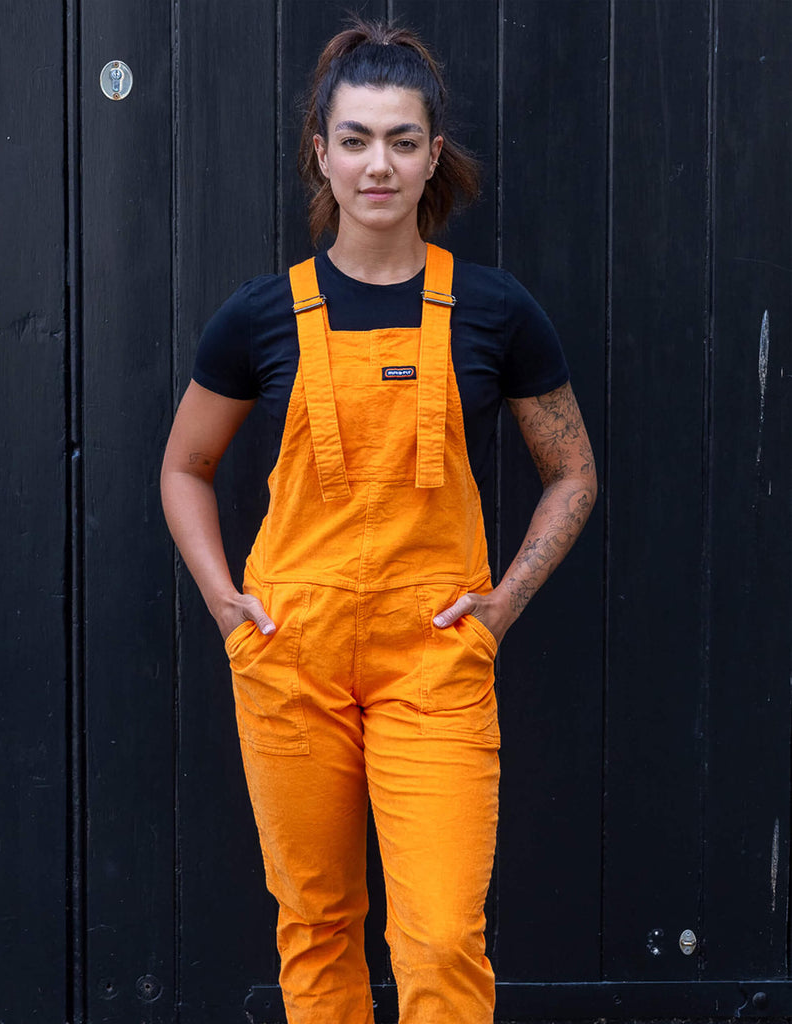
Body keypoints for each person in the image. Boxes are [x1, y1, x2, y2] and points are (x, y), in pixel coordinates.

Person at [161, 18, 596, 1024]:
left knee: (441, 936)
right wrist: (227, 603)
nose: (378, 163)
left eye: (402, 140)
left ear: (432, 154)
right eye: (355, 138)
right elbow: (186, 465)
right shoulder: (262, 317)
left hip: (434, 660)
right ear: (320, 150)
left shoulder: (494, 312)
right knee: (315, 925)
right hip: (291, 655)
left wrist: (503, 603)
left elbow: (570, 471)